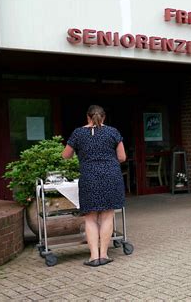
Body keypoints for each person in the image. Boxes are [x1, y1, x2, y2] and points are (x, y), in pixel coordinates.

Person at [62, 105, 126, 267]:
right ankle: (104, 255)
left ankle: (93, 257)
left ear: (87, 117)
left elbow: (65, 156)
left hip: (89, 177)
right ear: (103, 117)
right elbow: (122, 157)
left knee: (90, 217)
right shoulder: (113, 132)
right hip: (111, 176)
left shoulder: (78, 133)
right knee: (107, 215)